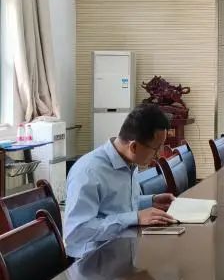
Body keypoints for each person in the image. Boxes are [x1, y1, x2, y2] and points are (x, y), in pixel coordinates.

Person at [64, 104, 177, 259]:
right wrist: (136, 217)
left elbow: (116, 206)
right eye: (156, 149)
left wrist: (151, 201)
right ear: (134, 147)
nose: (159, 155)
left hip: (123, 251)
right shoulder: (88, 172)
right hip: (93, 261)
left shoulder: (130, 162)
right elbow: (76, 231)